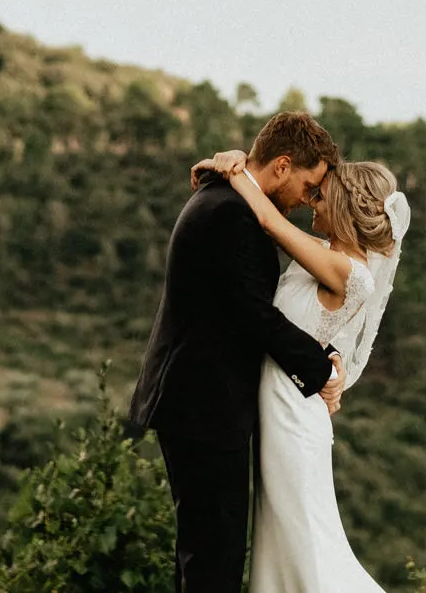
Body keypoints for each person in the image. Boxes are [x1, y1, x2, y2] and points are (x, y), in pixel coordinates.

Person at [128, 112, 346, 593]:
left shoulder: (226, 198)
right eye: (308, 186)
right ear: (283, 165)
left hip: (200, 403)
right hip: (203, 405)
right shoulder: (230, 213)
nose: (308, 200)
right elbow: (252, 314)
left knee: (205, 554)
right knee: (213, 560)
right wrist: (321, 367)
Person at [189, 147, 410, 593]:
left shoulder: (352, 272)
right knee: (282, 544)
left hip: (293, 422)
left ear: (345, 208)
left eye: (321, 197)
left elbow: (270, 222)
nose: (313, 202)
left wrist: (234, 170)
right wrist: (244, 162)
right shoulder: (323, 251)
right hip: (278, 411)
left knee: (306, 544)